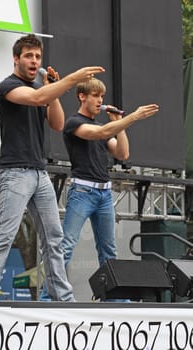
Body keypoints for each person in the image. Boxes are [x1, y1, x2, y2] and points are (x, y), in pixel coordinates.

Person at [0, 34, 105, 301]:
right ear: (16, 59)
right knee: (5, 235)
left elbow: (57, 123)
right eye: (29, 56)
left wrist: (54, 88)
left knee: (54, 237)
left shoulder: (41, 90)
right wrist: (70, 79)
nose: (34, 61)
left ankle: (62, 297)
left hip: (39, 172)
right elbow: (35, 98)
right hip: (15, 171)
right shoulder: (7, 87)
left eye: (38, 57)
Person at [40, 77, 159, 301]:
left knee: (108, 252)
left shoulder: (101, 126)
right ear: (81, 96)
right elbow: (99, 134)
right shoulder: (74, 123)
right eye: (95, 95)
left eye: (101, 96)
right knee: (66, 247)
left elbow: (122, 154)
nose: (100, 100)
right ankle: (48, 297)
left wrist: (120, 122)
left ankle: (113, 298)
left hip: (104, 193)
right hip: (82, 192)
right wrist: (133, 117)